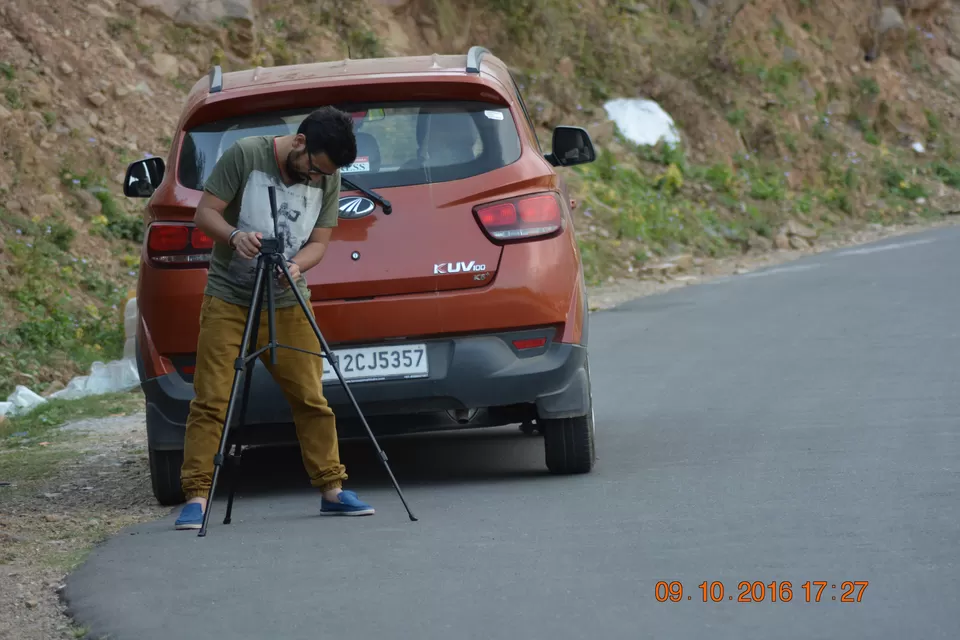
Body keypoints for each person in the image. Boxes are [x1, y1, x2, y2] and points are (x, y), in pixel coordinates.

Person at [173, 106, 375, 530]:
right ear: (299, 143)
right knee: (212, 398)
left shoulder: (329, 174)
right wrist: (233, 236)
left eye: (324, 175)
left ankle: (332, 489)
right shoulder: (247, 155)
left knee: (310, 397)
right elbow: (204, 213)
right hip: (230, 297)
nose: (315, 180)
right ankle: (196, 496)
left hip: (287, 300)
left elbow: (319, 243)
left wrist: (297, 266)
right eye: (312, 170)